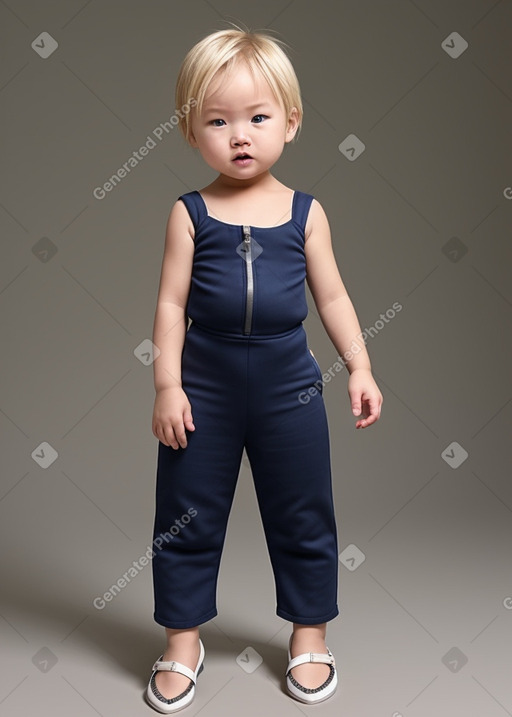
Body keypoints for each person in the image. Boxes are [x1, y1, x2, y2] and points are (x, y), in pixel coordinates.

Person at [146, 26, 383, 713]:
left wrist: (359, 365)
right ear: (192, 130)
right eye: (217, 121)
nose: (239, 135)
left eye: (257, 117)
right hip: (205, 386)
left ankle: (310, 632)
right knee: (185, 515)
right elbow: (168, 304)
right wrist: (167, 384)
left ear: (292, 121)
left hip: (290, 385)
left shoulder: (306, 214)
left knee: (303, 510)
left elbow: (333, 295)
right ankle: (182, 639)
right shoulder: (189, 214)